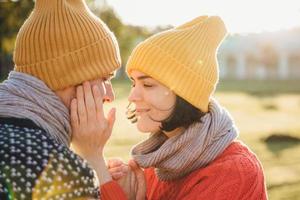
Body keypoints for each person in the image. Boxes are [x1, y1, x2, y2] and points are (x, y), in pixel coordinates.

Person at [71, 16, 268, 199]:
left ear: (185, 93)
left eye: (147, 85)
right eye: (133, 83)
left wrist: (92, 158)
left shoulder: (235, 172)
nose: (132, 96)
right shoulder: (157, 165)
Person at [0, 0, 122, 199]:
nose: (109, 95)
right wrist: (91, 157)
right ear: (68, 77)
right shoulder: (62, 172)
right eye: (105, 78)